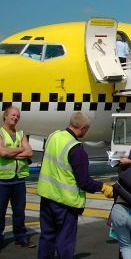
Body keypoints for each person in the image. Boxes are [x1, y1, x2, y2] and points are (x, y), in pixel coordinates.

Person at [37, 112, 114, 258]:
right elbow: (84, 182)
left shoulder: (54, 136)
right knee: (65, 243)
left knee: (47, 237)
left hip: (47, 197)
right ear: (84, 128)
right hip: (65, 204)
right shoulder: (76, 149)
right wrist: (103, 187)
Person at [0, 106, 35, 249]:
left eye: (17, 116)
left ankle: (20, 237)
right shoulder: (0, 132)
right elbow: (3, 153)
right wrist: (21, 149)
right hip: (2, 180)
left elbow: (30, 152)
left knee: (20, 211)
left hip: (19, 179)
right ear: (5, 116)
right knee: (0, 212)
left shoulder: (21, 133)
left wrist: (13, 152)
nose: (15, 118)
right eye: (13, 115)